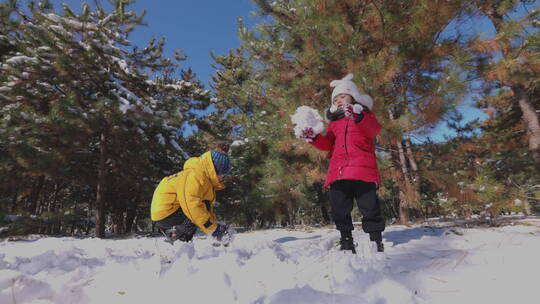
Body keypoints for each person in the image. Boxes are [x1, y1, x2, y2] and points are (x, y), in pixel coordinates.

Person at [298, 73, 385, 253]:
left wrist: (357, 116)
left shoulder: (365, 115)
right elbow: (328, 144)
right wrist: (313, 138)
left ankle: (376, 241)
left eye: (343, 96)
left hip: (363, 171)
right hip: (339, 173)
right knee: (339, 208)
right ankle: (346, 240)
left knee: (369, 208)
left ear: (353, 97)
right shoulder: (334, 123)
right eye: (335, 98)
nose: (338, 100)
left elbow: (373, 130)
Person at [150, 142, 232, 244]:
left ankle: (184, 244)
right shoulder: (195, 176)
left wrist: (214, 225)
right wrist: (213, 229)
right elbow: (192, 205)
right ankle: (174, 238)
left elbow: (205, 207)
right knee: (194, 214)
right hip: (165, 212)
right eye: (223, 173)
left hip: (172, 209)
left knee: (198, 213)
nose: (223, 176)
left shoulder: (204, 179)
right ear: (214, 169)